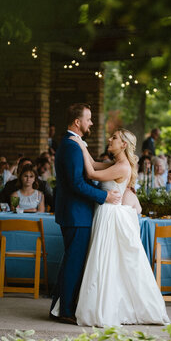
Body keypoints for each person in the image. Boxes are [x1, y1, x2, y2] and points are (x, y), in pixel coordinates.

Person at [68, 127, 169, 327]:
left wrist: (80, 145)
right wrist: (82, 145)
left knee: (107, 260)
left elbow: (91, 172)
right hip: (105, 213)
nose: (109, 139)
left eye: (114, 138)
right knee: (105, 260)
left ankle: (107, 308)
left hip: (110, 216)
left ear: (124, 144)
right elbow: (95, 163)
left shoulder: (123, 167)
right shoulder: (115, 163)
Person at [49, 103, 121, 324]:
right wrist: (104, 197)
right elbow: (75, 184)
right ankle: (66, 311)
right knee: (74, 262)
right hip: (76, 214)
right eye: (88, 119)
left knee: (72, 261)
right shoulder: (71, 146)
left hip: (76, 213)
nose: (91, 123)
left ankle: (59, 307)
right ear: (77, 122)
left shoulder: (74, 143)